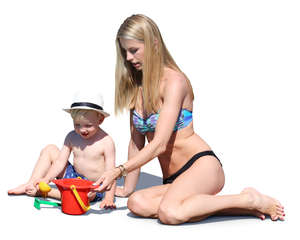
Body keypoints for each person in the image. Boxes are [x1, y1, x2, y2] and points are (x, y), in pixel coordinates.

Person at [92, 14, 285, 224]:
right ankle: (240, 206)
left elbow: (159, 144)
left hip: (201, 166)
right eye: (124, 51)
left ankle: (247, 199)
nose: (128, 58)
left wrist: (118, 170)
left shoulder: (174, 81)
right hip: (174, 179)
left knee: (170, 213)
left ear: (154, 44)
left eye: (134, 50)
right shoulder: (135, 88)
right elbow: (136, 142)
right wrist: (128, 188)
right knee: (137, 203)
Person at [8, 91, 116, 209]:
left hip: (92, 187)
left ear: (100, 120)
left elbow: (111, 172)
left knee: (84, 196)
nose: (82, 130)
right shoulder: (72, 136)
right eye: (77, 125)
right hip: (73, 177)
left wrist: (108, 198)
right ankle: (32, 183)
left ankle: (44, 192)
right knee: (50, 149)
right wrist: (47, 178)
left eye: (88, 125)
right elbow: (60, 162)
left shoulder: (106, 142)